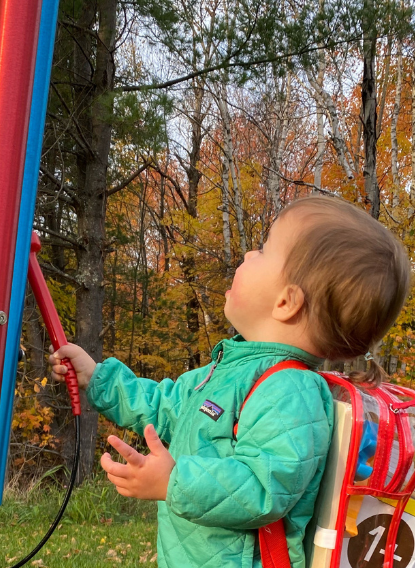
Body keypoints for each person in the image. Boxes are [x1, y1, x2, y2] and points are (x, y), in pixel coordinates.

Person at [49, 196, 411, 568]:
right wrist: (97, 377)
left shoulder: (291, 389)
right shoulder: (231, 371)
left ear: (286, 303)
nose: (249, 256)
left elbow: (265, 486)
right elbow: (166, 405)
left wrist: (174, 481)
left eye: (263, 249)